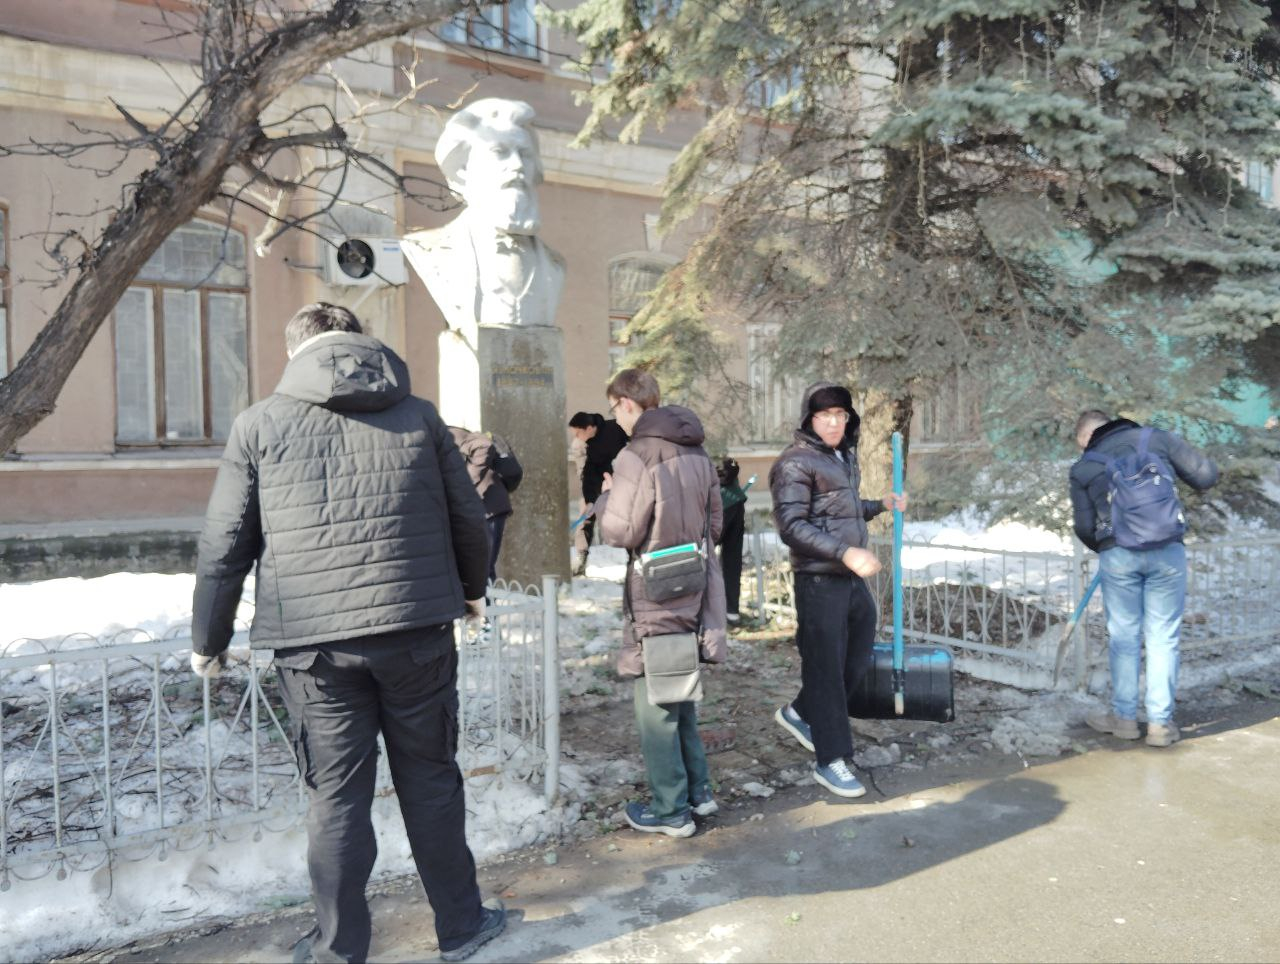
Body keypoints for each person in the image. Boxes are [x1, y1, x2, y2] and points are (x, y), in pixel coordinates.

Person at [188, 303, 506, 964]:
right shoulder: (420, 416)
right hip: (416, 631)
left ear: (294, 351)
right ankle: (462, 926)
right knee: (432, 780)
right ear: (362, 344)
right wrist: (473, 591)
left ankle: (339, 950)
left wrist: (208, 641)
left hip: (314, 649)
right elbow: (467, 517)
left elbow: (224, 544)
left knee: (335, 799)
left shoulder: (259, 424)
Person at [593, 369, 727, 837]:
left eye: (614, 408)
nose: (615, 418)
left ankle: (671, 810)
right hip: (695, 580)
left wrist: (606, 498)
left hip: (655, 588)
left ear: (627, 403)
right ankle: (699, 793)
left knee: (656, 706)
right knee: (680, 690)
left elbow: (620, 530)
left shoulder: (637, 454)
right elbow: (715, 524)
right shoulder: (696, 450)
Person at [768, 382, 907, 798]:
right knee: (825, 668)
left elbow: (839, 511)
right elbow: (792, 526)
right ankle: (831, 760)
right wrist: (846, 552)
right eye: (824, 415)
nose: (833, 422)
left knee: (858, 651)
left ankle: (800, 711)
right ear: (809, 419)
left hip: (846, 576)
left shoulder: (840, 456)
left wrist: (879, 505)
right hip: (818, 579)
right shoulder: (794, 463)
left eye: (840, 415)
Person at [1070, 409, 1219, 747]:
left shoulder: (1085, 466)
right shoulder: (1157, 439)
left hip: (1118, 556)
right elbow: (1207, 476)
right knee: (1163, 637)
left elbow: (1084, 526)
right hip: (1167, 551)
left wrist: (1108, 546)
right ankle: (1160, 724)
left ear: (1087, 436)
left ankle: (1124, 719)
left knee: (1124, 638)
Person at [401, 98, 565, 333]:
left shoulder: (555, 264)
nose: (517, 165)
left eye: (525, 154)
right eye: (500, 152)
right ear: (463, 169)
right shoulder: (429, 250)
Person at [448, 427, 523, 584]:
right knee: (477, 568)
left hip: (488, 506)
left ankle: (486, 599)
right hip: (477, 508)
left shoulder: (446, 432)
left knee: (483, 569)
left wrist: (465, 484)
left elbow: (484, 445)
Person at [568, 410, 629, 576]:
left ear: (589, 428)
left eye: (578, 433)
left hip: (621, 479)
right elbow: (586, 472)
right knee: (587, 516)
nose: (576, 437)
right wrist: (590, 498)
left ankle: (633, 556)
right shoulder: (583, 445)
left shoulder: (614, 429)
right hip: (595, 482)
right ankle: (581, 557)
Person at [717, 457, 748, 624]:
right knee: (732, 560)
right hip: (735, 500)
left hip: (718, 502)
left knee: (700, 555)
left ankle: (707, 609)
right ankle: (731, 610)